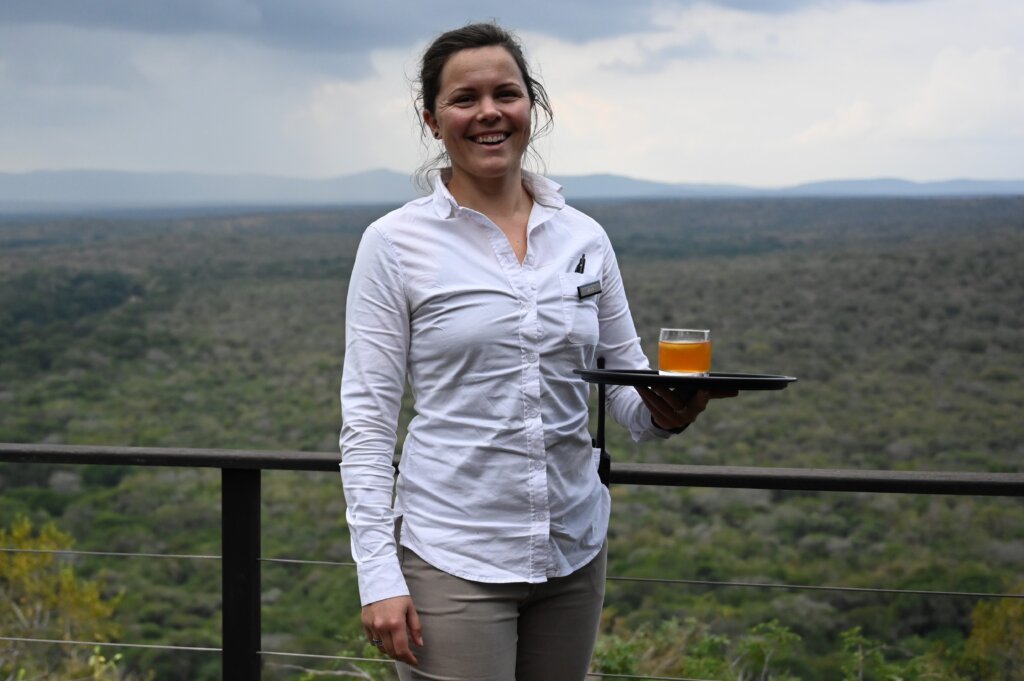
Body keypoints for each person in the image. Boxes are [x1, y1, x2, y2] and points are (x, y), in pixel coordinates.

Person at [340, 22, 733, 681]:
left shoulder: (584, 238)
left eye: (507, 93)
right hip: (452, 552)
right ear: (432, 119)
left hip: (574, 549)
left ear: (534, 107)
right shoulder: (393, 244)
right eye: (465, 99)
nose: (489, 112)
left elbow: (625, 388)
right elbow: (368, 423)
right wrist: (378, 573)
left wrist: (671, 409)